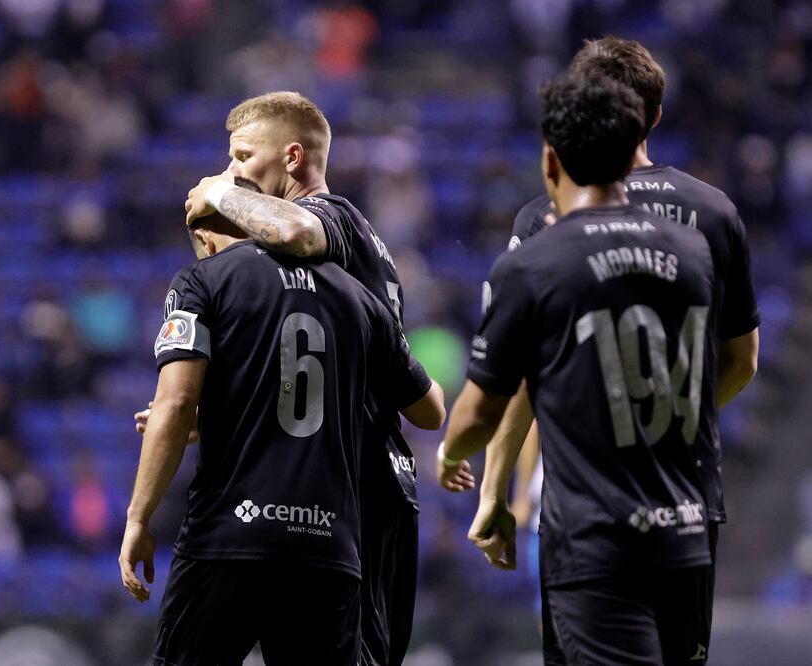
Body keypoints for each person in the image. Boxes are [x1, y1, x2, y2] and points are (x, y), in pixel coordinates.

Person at [460, 36, 761, 665]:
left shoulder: (543, 223)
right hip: (686, 498)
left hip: (586, 508)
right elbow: (742, 362)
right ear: (652, 117)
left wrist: (500, 491)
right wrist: (665, 426)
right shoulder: (714, 214)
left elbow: (518, 384)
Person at [180, 91, 461, 665]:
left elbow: (296, 234)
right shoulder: (358, 266)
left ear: (290, 158)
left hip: (350, 492)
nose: (232, 171)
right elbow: (420, 401)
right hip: (364, 488)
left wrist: (217, 194)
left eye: (241, 156)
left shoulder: (336, 221)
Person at [118, 199, 445, 665]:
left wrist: (138, 518)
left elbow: (174, 402)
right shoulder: (356, 297)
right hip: (328, 545)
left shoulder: (205, 280)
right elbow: (430, 411)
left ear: (206, 239)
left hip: (231, 533)